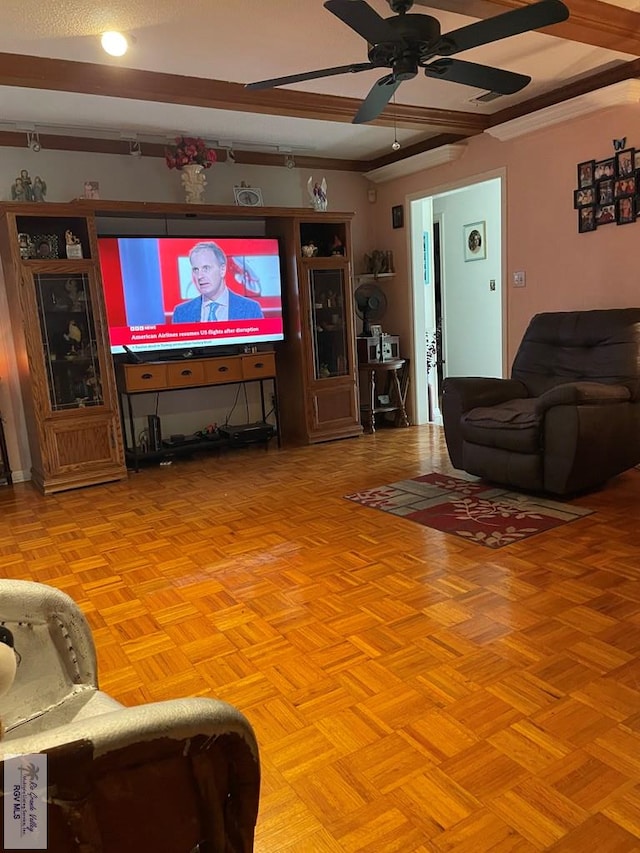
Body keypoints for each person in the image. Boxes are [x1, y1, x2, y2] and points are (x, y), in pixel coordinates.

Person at [172, 241, 263, 323]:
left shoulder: (251, 309)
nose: (199, 276)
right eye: (196, 270)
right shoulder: (181, 313)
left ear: (222, 270)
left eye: (206, 268)